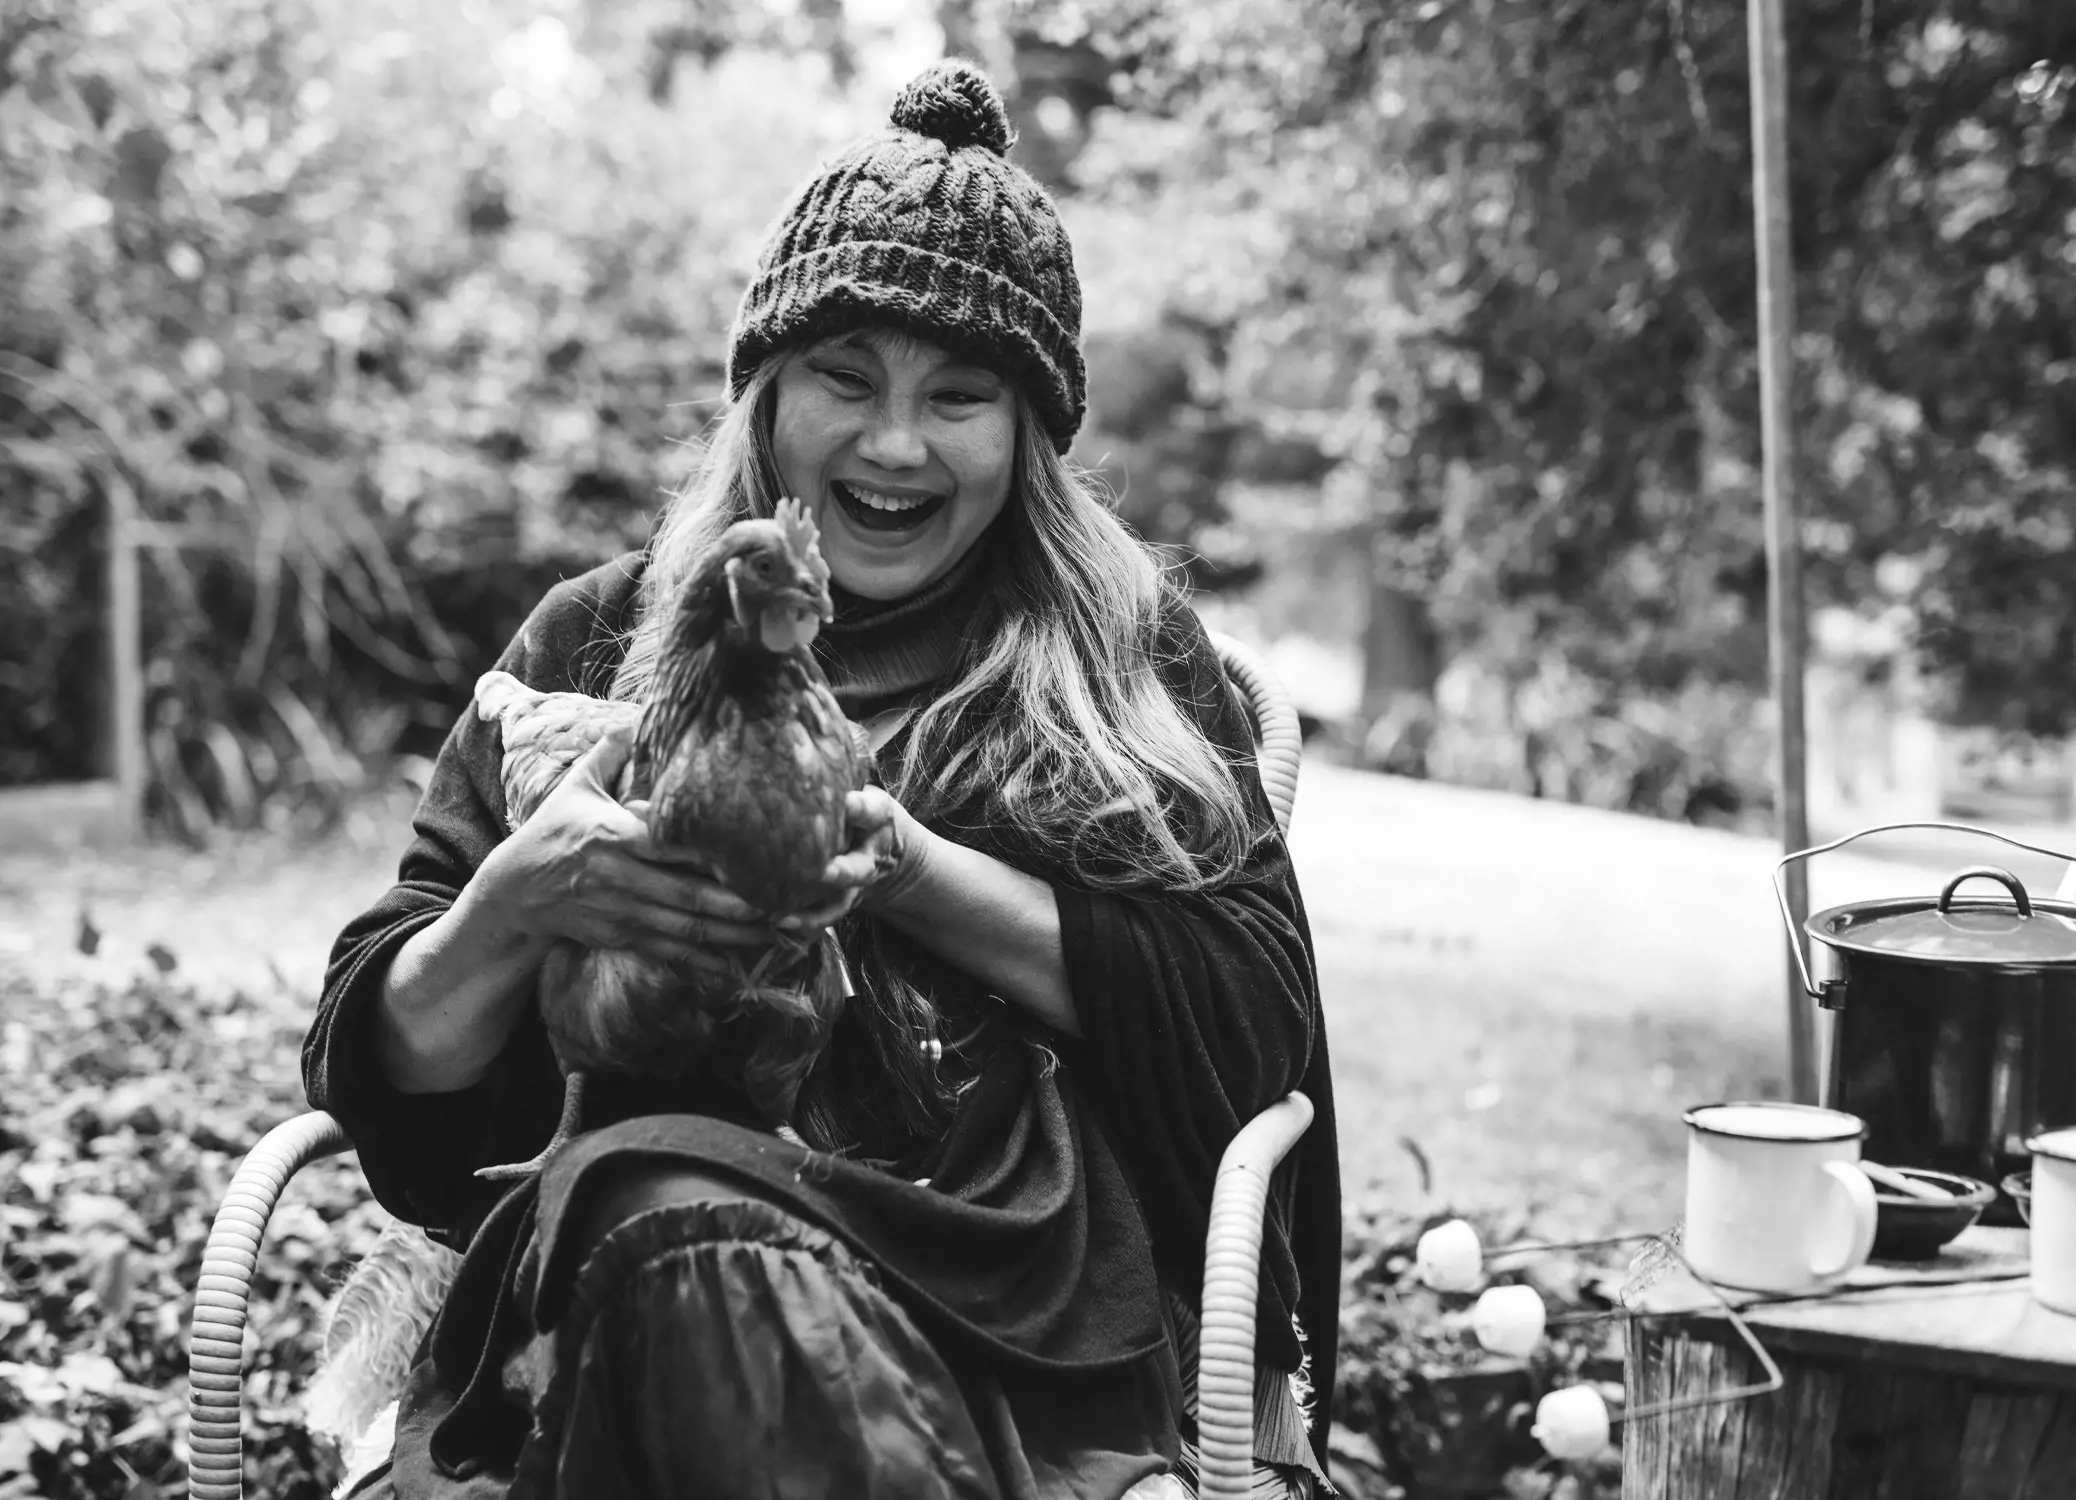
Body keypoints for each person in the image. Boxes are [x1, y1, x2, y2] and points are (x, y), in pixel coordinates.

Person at [304, 59, 1340, 1500]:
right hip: (634, 1266)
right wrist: (511, 905)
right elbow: (388, 1093)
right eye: (844, 378)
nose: (895, 442)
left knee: (670, 1220)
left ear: (1029, 436)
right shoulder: (594, 645)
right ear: (766, 399)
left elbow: (1246, 1028)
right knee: (662, 1204)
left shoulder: (1116, 663)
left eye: (959, 394)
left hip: (1005, 1287)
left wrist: (905, 866)